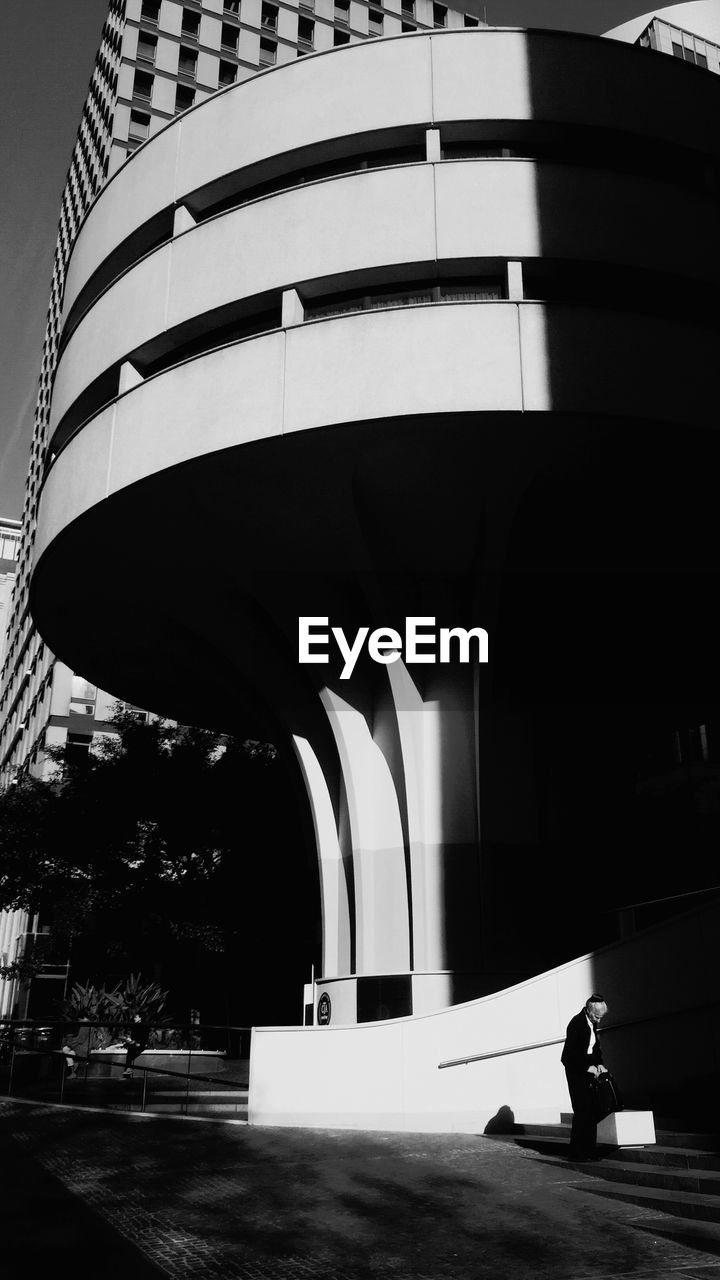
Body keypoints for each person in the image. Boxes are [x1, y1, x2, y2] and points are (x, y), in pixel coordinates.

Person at [561, 993, 609, 1161]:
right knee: (582, 1111)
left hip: (589, 1068)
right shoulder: (576, 1024)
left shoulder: (592, 1023)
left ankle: (589, 1150)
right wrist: (587, 1067)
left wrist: (600, 1063)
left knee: (592, 1111)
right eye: (596, 1016)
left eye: (601, 1017)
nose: (598, 1020)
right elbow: (568, 1056)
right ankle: (577, 1152)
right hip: (576, 1072)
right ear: (589, 1011)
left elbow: (595, 1047)